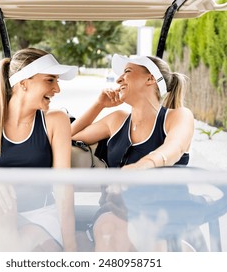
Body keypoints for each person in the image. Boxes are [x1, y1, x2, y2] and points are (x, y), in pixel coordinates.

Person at [71, 54, 194, 251]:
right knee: (110, 228)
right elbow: (66, 136)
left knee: (148, 232)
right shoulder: (116, 120)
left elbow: (175, 148)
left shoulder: (178, 116)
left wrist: (140, 167)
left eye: (127, 72)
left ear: (150, 79)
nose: (119, 79)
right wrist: (99, 104)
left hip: (164, 210)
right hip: (116, 209)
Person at [0, 48, 78, 252]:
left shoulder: (56, 121)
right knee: (0, 213)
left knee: (21, 238)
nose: (57, 89)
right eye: (50, 80)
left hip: (41, 216)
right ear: (23, 83)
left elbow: (63, 189)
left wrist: (71, 249)